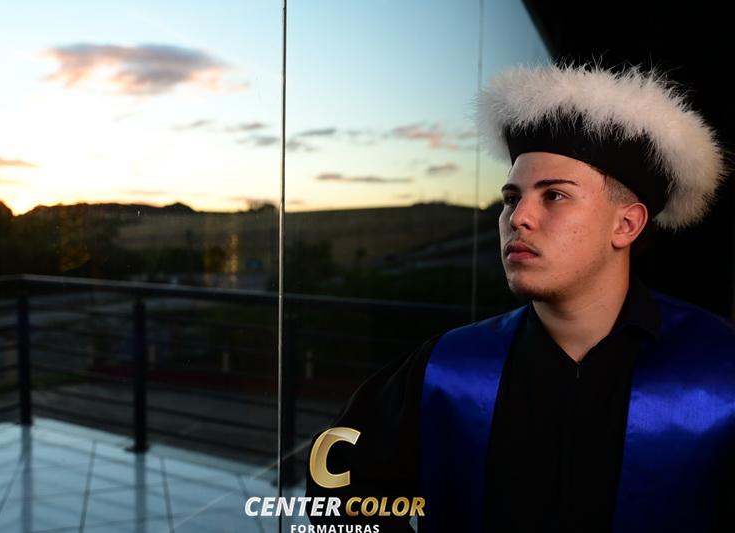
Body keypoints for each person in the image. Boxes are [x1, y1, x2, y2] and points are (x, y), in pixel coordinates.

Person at [305, 62, 735, 533]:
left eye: (554, 196)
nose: (518, 217)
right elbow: (336, 493)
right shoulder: (448, 368)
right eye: (512, 198)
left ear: (626, 224)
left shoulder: (718, 371)